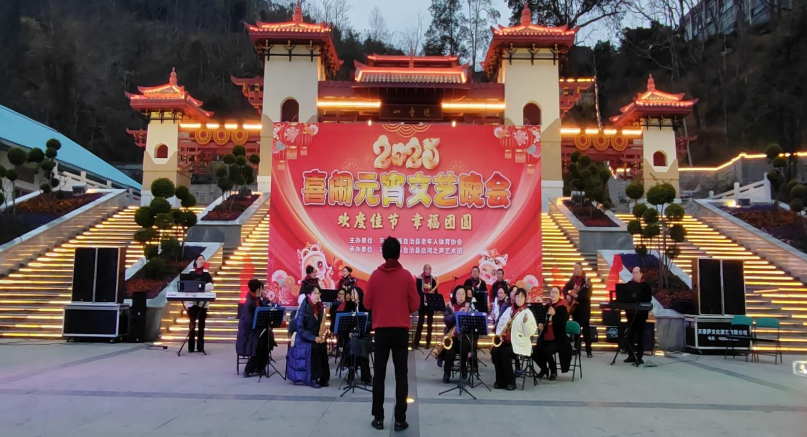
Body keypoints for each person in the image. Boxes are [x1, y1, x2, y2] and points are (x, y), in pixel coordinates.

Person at [364, 237, 420, 432]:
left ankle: (378, 418)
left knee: (379, 374)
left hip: (381, 331)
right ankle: (400, 419)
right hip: (400, 331)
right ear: (399, 253)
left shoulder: (374, 276)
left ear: (383, 253)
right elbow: (415, 304)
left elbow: (367, 303)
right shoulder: (406, 276)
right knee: (401, 375)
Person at [492, 288, 537, 391]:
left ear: (525, 299)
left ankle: (511, 382)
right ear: (514, 298)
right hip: (506, 341)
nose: (519, 299)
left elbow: (530, 332)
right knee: (495, 351)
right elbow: (500, 324)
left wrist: (525, 323)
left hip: (520, 343)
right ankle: (500, 381)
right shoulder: (509, 310)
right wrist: (499, 335)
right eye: (518, 296)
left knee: (505, 353)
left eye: (522, 297)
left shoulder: (527, 312)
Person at [287, 287, 330, 388]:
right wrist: (313, 338)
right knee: (314, 348)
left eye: (319, 293)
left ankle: (323, 377)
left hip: (315, 336)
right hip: (303, 338)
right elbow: (300, 329)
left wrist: (322, 334)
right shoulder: (304, 307)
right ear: (309, 295)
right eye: (315, 293)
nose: (318, 295)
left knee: (322, 346)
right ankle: (312, 378)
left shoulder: (320, 307)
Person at [236, 279, 277, 377]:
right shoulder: (250, 303)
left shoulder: (256, 300)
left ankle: (260, 367)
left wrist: (265, 298)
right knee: (261, 344)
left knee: (268, 339)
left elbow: (265, 308)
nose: (263, 291)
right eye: (262, 289)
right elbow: (249, 322)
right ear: (258, 290)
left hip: (256, 331)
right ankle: (248, 369)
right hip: (248, 334)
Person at [532, 286, 571, 381]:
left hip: (558, 339)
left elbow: (562, 325)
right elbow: (543, 320)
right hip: (546, 337)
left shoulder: (562, 308)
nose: (553, 294)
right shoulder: (547, 307)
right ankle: (544, 369)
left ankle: (553, 371)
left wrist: (554, 315)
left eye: (555, 292)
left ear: (559, 295)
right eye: (552, 292)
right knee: (534, 351)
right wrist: (540, 324)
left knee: (547, 351)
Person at [441, 286, 472, 383]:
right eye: (459, 294)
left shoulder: (469, 307)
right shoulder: (450, 306)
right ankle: (447, 372)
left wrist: (467, 313)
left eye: (463, 294)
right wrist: (457, 313)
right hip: (451, 337)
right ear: (455, 295)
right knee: (449, 351)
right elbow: (447, 320)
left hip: (464, 336)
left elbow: (472, 323)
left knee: (465, 344)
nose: (461, 296)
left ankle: (463, 368)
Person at [563, 262, 593, 358]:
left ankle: (588, 350)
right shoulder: (573, 279)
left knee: (586, 329)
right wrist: (567, 295)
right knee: (576, 329)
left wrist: (576, 296)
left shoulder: (586, 280)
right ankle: (577, 349)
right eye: (574, 268)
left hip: (584, 308)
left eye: (576, 268)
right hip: (575, 308)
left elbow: (587, 296)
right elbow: (565, 288)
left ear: (581, 269)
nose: (574, 270)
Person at [185, 254, 213, 353]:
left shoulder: (206, 273)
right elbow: (187, 286)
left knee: (202, 325)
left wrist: (200, 287)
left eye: (203, 259)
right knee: (192, 324)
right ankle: (191, 347)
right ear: (195, 261)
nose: (201, 261)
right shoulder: (191, 273)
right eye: (200, 259)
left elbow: (211, 286)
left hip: (202, 303)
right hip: (192, 302)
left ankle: (200, 347)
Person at [624, 266, 653, 365]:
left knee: (640, 336)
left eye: (636, 273)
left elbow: (648, 299)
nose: (634, 274)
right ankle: (631, 355)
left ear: (641, 274)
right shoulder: (628, 285)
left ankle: (639, 356)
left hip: (641, 315)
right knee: (630, 335)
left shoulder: (645, 286)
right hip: (631, 315)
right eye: (633, 272)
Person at [413, 264, 438, 349]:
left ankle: (428, 343)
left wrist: (434, 296)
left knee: (429, 324)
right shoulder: (419, 279)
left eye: (429, 269)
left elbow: (436, 291)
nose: (428, 270)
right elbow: (416, 291)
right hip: (422, 305)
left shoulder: (433, 280)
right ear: (424, 270)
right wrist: (423, 295)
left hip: (430, 305)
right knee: (420, 323)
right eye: (426, 269)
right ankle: (416, 343)